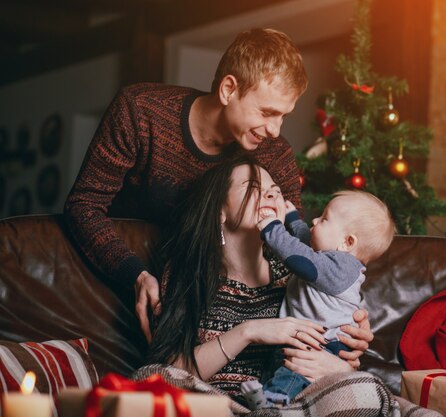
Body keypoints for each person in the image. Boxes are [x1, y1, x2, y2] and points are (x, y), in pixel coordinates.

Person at [64, 28, 308, 341]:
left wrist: (342, 314)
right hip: (118, 280)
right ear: (228, 89)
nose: (276, 129)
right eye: (267, 112)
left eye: (284, 116)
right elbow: (83, 204)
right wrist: (134, 274)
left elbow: (295, 246)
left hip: (213, 310)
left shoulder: (275, 153)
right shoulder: (140, 111)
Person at [143, 156, 386, 413]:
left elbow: (338, 336)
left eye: (275, 191)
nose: (271, 195)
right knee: (147, 376)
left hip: (301, 401)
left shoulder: (298, 272)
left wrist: (342, 367)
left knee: (366, 391)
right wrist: (249, 332)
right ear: (219, 210)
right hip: (220, 404)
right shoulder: (190, 273)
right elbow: (168, 372)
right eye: (254, 188)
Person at [242, 190, 396, 407]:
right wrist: (293, 219)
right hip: (308, 338)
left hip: (324, 343)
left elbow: (298, 257)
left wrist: (272, 228)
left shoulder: (342, 267)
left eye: (324, 219)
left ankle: (273, 403)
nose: (315, 220)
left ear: (347, 242)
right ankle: (271, 398)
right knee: (283, 367)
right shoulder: (328, 257)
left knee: (295, 371)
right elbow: (306, 240)